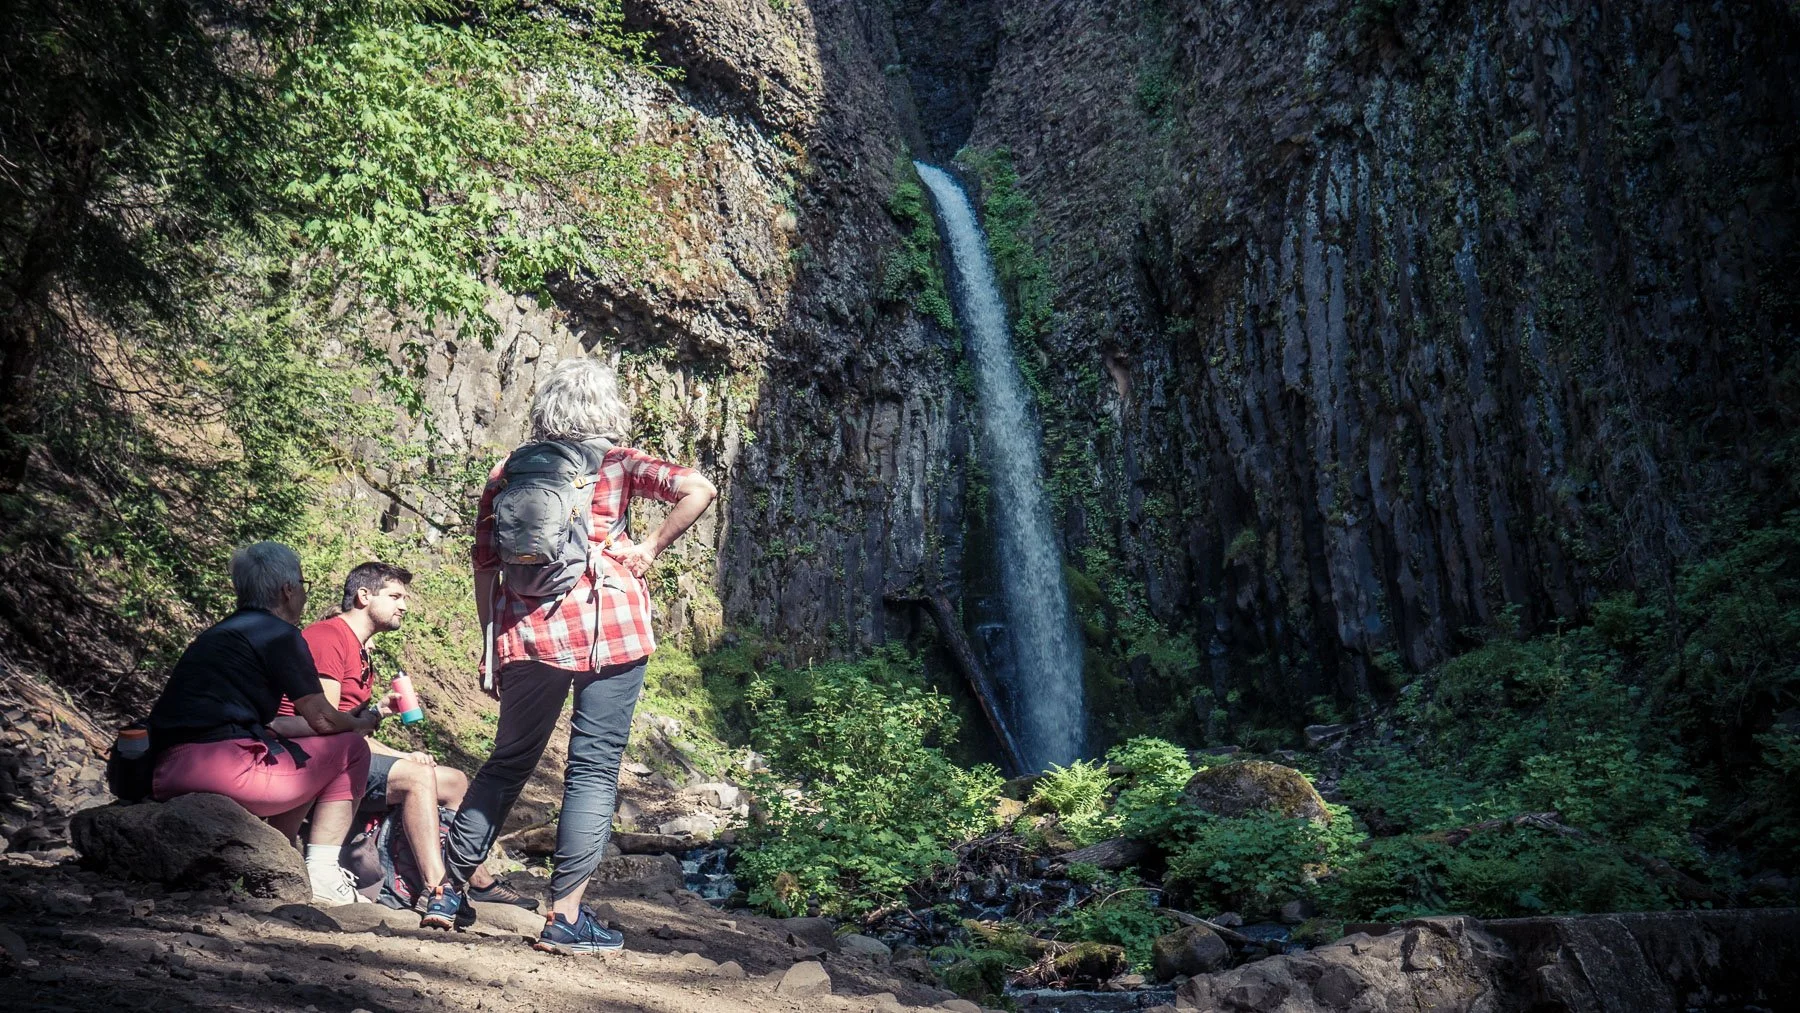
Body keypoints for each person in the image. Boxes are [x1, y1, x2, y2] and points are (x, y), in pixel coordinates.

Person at [421, 357, 716, 953]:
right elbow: (698, 488)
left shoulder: (508, 472)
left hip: (527, 631)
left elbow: (484, 563)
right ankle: (565, 919)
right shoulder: (619, 462)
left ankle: (446, 892)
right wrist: (651, 547)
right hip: (611, 626)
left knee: (507, 761)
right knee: (594, 765)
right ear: (606, 410)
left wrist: (489, 643)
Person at [277, 561, 535, 909]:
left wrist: (380, 720)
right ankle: (437, 888)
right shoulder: (329, 637)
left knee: (455, 781)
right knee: (417, 777)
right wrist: (401, 758)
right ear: (364, 596)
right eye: (395, 596)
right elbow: (325, 724)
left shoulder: (358, 648)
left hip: (341, 753)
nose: (404, 606)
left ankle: (476, 879)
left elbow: (347, 728)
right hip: (308, 754)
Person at [146, 541, 378, 905]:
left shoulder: (220, 633)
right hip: (223, 770)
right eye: (303, 583)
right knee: (351, 750)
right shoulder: (280, 635)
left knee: (298, 753)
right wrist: (360, 723)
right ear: (288, 590)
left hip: (163, 767)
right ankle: (319, 873)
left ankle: (279, 858)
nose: (303, 591)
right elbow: (321, 718)